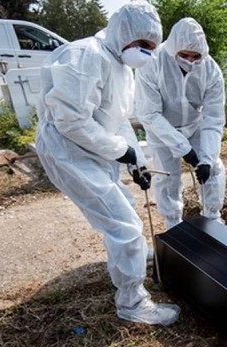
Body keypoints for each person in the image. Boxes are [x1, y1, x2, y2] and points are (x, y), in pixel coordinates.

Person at [35, 1, 179, 326]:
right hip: (68, 152)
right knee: (123, 224)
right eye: (142, 44)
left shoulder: (121, 68)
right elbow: (70, 121)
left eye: (152, 47)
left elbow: (119, 121)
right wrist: (120, 151)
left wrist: (137, 160)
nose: (147, 52)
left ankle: (134, 258)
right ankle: (132, 302)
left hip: (93, 149)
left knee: (123, 204)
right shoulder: (86, 56)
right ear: (123, 32)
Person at [135, 17, 226, 229]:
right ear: (173, 50)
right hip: (161, 129)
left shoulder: (211, 70)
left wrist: (206, 158)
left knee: (212, 169)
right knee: (168, 177)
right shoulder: (152, 64)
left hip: (194, 126)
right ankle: (173, 223)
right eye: (184, 55)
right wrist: (183, 148)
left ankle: (212, 219)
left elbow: (213, 118)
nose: (190, 61)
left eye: (196, 57)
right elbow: (150, 113)